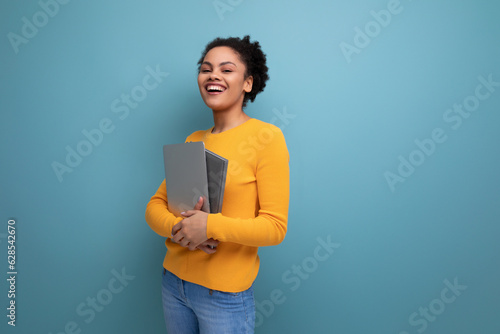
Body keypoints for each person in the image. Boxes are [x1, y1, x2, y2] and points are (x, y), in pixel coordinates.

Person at [145, 35, 290, 334]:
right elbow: (154, 206)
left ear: (248, 83)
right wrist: (180, 229)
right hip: (173, 284)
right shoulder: (193, 139)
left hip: (223, 296)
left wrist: (209, 227)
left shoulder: (267, 138)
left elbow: (274, 228)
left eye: (226, 69)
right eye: (206, 68)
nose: (213, 75)